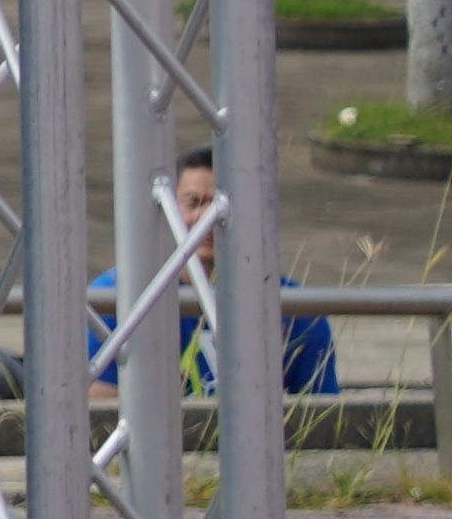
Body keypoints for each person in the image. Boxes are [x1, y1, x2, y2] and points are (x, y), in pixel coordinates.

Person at [89, 150, 344, 402]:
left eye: (223, 205)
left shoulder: (295, 309)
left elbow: (318, 412)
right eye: (194, 203)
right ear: (167, 208)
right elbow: (100, 407)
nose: (209, 217)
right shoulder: (116, 297)